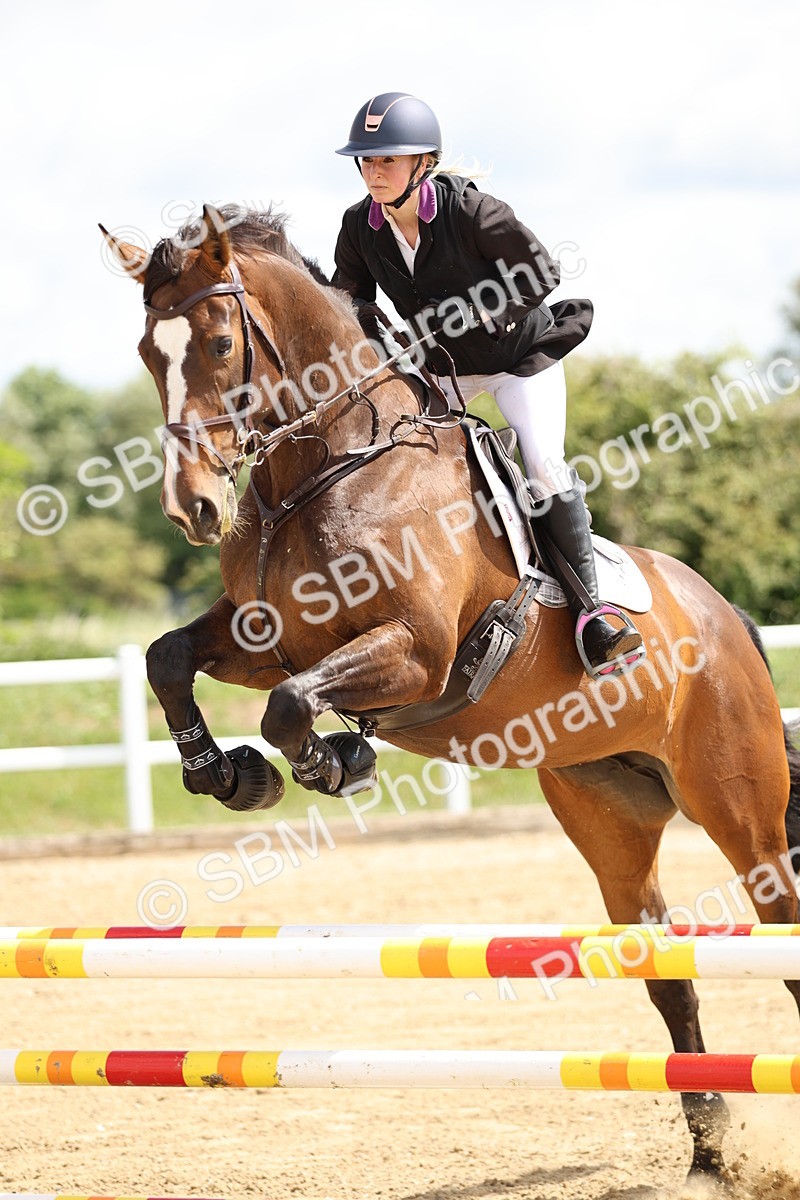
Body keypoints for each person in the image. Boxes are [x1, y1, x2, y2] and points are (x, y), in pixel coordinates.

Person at [332, 91, 644, 678]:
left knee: (543, 463)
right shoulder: (359, 226)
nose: (374, 172)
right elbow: (350, 301)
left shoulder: (472, 211)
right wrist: (375, 342)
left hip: (519, 358)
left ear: (424, 162)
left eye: (387, 159)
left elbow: (542, 272)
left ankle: (593, 614)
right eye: (367, 161)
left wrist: (477, 312)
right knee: (403, 464)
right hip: (443, 368)